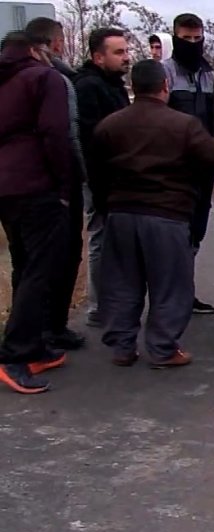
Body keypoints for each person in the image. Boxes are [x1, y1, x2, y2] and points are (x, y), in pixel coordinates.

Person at [92, 59, 214, 369]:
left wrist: (107, 207)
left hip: (121, 213)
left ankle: (123, 346)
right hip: (167, 214)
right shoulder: (184, 125)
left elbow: (96, 172)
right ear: (165, 86)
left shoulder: (109, 125)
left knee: (122, 283)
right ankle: (163, 349)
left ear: (134, 87)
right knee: (170, 285)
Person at [0, 31, 73, 393]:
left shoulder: (7, 82)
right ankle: (15, 356)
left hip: (6, 187)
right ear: (34, 50)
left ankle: (33, 346)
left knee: (23, 265)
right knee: (40, 270)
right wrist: (63, 184)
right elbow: (55, 132)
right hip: (36, 185)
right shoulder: (44, 78)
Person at [26, 17, 88, 351]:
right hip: (53, 182)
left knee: (32, 260)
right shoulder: (57, 79)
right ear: (57, 43)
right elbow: (66, 134)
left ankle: (40, 330)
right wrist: (75, 177)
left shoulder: (13, 78)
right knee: (58, 257)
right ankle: (48, 329)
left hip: (22, 182)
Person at [161, 12, 214, 315]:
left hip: (201, 169)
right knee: (174, 235)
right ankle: (169, 296)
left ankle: (186, 292)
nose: (192, 43)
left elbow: (213, 122)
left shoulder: (209, 76)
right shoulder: (165, 73)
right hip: (174, 169)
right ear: (175, 37)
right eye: (186, 38)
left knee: (195, 234)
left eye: (197, 38)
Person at [75, 27, 131, 329]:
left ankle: (110, 302)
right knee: (101, 240)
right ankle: (98, 307)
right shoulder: (88, 87)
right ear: (98, 57)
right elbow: (90, 140)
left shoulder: (114, 85)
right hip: (100, 179)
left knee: (115, 242)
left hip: (116, 177)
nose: (126, 58)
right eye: (118, 52)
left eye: (126, 51)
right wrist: (98, 187)